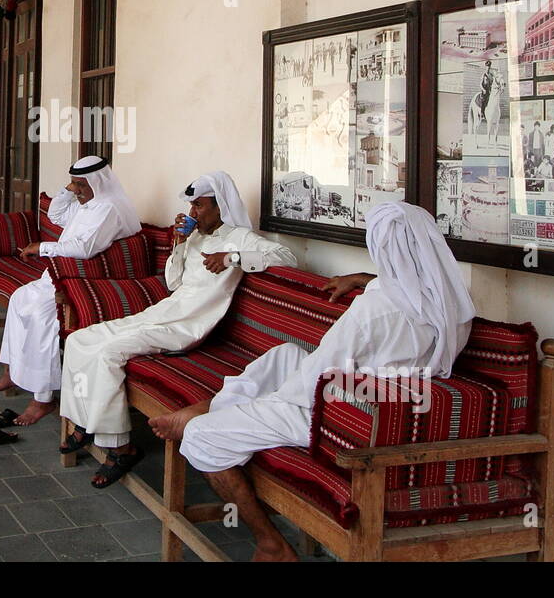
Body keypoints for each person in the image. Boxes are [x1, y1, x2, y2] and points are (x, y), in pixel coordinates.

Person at [148, 201, 476, 561]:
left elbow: (317, 375)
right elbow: (400, 290)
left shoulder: (374, 310)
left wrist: (272, 402)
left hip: (343, 417)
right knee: (285, 353)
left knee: (201, 438)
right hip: (386, 399)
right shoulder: (451, 303)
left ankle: (271, 543)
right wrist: (363, 279)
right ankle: (215, 407)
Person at [58, 171, 298, 489]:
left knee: (109, 352)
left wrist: (232, 258)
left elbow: (287, 257)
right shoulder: (196, 235)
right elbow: (173, 283)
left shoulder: (239, 237)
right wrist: (180, 243)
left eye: (199, 205)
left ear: (220, 205)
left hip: (188, 326)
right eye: (191, 206)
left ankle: (120, 447)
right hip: (163, 313)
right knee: (79, 338)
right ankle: (82, 422)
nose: (193, 213)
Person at [0, 156, 140, 428]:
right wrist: (69, 189)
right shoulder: (89, 204)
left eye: (81, 184)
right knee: (20, 298)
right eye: (75, 184)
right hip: (63, 274)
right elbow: (55, 215)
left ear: (98, 182)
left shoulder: (109, 208)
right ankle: (13, 370)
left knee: (41, 316)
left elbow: (84, 249)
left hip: (86, 282)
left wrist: (40, 248)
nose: (76, 190)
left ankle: (42, 398)